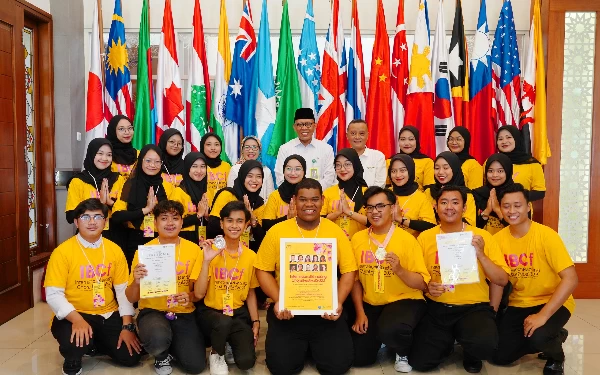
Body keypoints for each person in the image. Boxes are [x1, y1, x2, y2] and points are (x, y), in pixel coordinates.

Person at [254, 178, 358, 375]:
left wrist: (338, 301)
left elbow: (349, 271)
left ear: (322, 200)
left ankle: (313, 346)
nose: (309, 205)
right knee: (281, 368)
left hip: (324, 313)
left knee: (337, 366)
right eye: (303, 199)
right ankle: (304, 347)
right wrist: (279, 300)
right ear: (294, 201)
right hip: (289, 313)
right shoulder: (277, 231)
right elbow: (262, 270)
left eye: (314, 199)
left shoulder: (334, 231)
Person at [409, 186, 510, 373]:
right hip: (437, 306)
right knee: (421, 363)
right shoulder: (425, 238)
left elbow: (502, 279)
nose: (449, 207)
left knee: (485, 344)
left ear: (464, 208)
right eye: (444, 202)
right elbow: (418, 277)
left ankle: (471, 351)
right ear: (436, 207)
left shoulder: (482, 236)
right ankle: (446, 341)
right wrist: (427, 287)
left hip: (473, 307)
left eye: (455, 202)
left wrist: (481, 254)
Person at [45, 199, 142, 375]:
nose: (91, 222)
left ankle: (96, 343)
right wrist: (77, 320)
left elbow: (122, 291)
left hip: (107, 312)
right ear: (76, 222)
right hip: (75, 313)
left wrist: (127, 326)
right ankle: (74, 357)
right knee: (74, 345)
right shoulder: (62, 252)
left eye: (98, 217)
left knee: (131, 357)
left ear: (105, 222)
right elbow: (53, 294)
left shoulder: (114, 250)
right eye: (85, 217)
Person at [492, 184, 578, 375]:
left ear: (528, 206)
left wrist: (543, 316)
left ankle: (555, 355)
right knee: (499, 356)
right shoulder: (497, 240)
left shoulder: (547, 236)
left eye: (517, 205)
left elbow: (571, 279)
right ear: (500, 208)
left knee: (538, 337)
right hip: (519, 304)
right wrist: (492, 314)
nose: (512, 211)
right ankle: (550, 335)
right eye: (506, 206)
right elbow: (498, 281)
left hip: (552, 301)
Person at [350, 187, 429, 372]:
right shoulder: (357, 239)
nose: (375, 212)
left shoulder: (407, 240)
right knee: (359, 357)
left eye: (380, 206)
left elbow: (423, 284)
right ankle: (385, 338)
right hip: (372, 302)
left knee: (392, 328)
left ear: (392, 208)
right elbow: (354, 280)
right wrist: (360, 313)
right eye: (370, 208)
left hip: (404, 299)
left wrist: (400, 270)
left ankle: (402, 350)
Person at [126, 200, 205, 375]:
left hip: (183, 312)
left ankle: (172, 346)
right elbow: (131, 298)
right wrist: (137, 282)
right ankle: (161, 354)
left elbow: (198, 294)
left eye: (175, 218)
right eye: (164, 218)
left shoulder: (194, 250)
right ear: (155, 223)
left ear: (182, 222)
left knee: (195, 366)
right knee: (157, 337)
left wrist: (190, 296)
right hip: (152, 310)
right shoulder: (144, 252)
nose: (170, 223)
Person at [192, 201, 261, 374]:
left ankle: (228, 341)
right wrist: (207, 261)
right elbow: (199, 293)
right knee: (222, 322)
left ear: (246, 225)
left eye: (239, 221)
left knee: (246, 362)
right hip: (211, 312)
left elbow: (251, 291)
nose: (234, 225)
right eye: (229, 221)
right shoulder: (208, 251)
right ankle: (217, 352)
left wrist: (256, 321)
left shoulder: (251, 256)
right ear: (221, 223)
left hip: (237, 312)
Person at [112, 145, 175, 267]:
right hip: (135, 238)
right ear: (140, 161)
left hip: (161, 239)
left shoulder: (168, 187)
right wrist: (145, 210)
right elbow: (117, 216)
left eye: (157, 162)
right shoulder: (129, 185)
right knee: (137, 280)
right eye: (148, 161)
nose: (153, 165)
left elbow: (174, 214)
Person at [65, 138, 126, 246]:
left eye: (109, 155)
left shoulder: (118, 179)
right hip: (88, 235)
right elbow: (70, 216)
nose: (104, 158)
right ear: (91, 154)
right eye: (100, 153)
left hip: (116, 234)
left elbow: (125, 212)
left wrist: (110, 202)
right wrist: (99, 204)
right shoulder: (78, 181)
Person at [207, 160, 266, 253]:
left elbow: (263, 240)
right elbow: (212, 227)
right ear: (242, 177)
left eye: (259, 177)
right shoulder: (227, 195)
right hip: (223, 251)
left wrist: (252, 219)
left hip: (248, 255)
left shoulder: (259, 203)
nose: (254, 180)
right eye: (249, 176)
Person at [275, 108, 336, 189]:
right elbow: (280, 178)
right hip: (291, 198)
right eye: (300, 124)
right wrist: (299, 194)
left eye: (308, 124)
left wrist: (312, 193)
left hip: (319, 198)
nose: (304, 128)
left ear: (315, 126)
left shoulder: (326, 149)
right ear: (294, 127)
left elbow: (329, 178)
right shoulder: (285, 149)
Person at [322, 148, 369, 239]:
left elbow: (372, 221)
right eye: (338, 165)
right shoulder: (328, 192)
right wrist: (337, 213)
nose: (342, 169)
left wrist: (349, 212)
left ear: (355, 165)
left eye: (347, 164)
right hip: (334, 243)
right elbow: (320, 221)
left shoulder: (367, 192)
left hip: (360, 243)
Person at [388, 154, 437, 237]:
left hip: (412, 245)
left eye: (402, 170)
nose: (398, 175)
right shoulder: (386, 194)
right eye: (393, 171)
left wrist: (401, 220)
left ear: (410, 171)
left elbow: (431, 226)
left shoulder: (421, 197)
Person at [424, 151, 477, 226]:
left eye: (446, 168)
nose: (440, 172)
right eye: (437, 168)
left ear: (455, 169)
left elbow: (470, 223)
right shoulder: (429, 191)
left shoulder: (466, 194)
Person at [496, 125, 546, 202]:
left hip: (521, 211)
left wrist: (516, 196)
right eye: (500, 139)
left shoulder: (532, 164)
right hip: (494, 211)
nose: (504, 141)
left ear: (517, 139)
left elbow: (540, 193)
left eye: (508, 137)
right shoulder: (492, 162)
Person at [170, 152, 210, 244]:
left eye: (203, 166)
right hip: (183, 240)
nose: (199, 171)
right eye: (194, 166)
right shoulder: (179, 192)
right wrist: (198, 215)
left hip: (204, 240)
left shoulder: (207, 192)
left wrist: (207, 216)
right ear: (187, 168)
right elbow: (172, 223)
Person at [472, 154, 514, 235]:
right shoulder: (477, 194)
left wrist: (498, 210)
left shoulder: (517, 195)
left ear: (508, 172)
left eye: (500, 171)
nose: (495, 175)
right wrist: (487, 211)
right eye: (490, 171)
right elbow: (472, 228)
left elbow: (518, 229)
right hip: (483, 244)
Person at [262, 155, 306, 231]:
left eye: (297, 169)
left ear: (304, 171)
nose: (293, 173)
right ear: (283, 171)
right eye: (288, 168)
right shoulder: (275, 195)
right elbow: (266, 225)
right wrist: (287, 218)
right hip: (280, 239)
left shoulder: (310, 194)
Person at [227, 136, 275, 201]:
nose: (251, 150)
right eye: (247, 147)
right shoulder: (235, 169)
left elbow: (270, 198)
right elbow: (230, 196)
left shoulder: (266, 170)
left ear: (259, 150)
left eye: (254, 147)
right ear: (242, 150)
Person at [391, 126, 435, 190]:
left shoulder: (427, 162)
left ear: (416, 141)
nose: (406, 143)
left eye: (411, 139)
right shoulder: (390, 161)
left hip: (419, 199)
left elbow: (429, 189)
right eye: (403, 139)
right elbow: (386, 187)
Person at [346, 119, 387, 187]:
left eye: (361, 133)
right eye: (353, 133)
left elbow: (380, 184)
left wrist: (365, 195)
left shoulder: (378, 156)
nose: (357, 137)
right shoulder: (342, 157)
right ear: (347, 136)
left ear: (367, 135)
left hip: (372, 196)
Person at [201, 132, 232, 200]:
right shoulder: (199, 166)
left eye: (216, 144)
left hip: (224, 207)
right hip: (204, 207)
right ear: (202, 146)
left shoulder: (227, 166)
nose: (213, 148)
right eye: (209, 144)